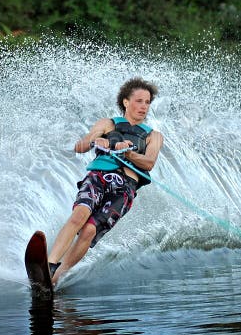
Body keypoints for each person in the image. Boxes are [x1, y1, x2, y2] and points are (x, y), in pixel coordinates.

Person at [47, 77, 163, 284]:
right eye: (139, 101)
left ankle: (57, 276)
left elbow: (149, 163)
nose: (143, 106)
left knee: (90, 230)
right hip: (98, 176)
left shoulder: (153, 136)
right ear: (126, 102)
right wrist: (96, 141)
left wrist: (127, 153)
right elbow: (79, 147)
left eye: (147, 102)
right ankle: (49, 264)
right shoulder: (107, 124)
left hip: (125, 187)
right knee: (79, 215)